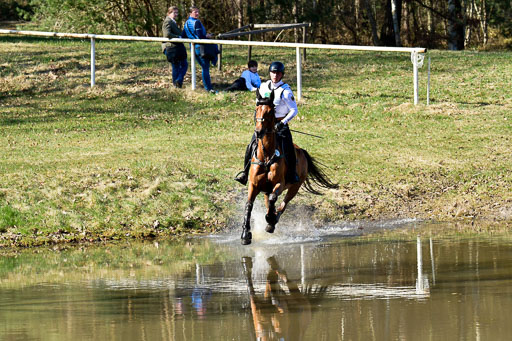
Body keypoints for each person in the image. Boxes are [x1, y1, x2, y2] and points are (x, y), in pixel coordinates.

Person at [234, 61, 300, 185]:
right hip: (264, 124)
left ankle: (292, 174)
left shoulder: (286, 91)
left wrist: (282, 123)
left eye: (278, 73)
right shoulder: (263, 86)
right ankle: (245, 173)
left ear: (282, 75)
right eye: (273, 73)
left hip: (280, 124)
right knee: (251, 145)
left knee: (288, 148)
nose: (275, 76)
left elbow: (294, 110)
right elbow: (258, 104)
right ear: (270, 73)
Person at [183, 6, 219, 94]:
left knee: (205, 67)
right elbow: (200, 36)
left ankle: (208, 86)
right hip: (201, 48)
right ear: (190, 13)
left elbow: (183, 35)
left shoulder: (186, 23)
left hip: (194, 48)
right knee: (205, 68)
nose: (197, 14)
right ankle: (209, 88)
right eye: (195, 12)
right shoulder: (197, 22)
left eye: (198, 12)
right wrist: (207, 36)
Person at [162, 6, 188, 88]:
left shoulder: (172, 21)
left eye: (177, 13)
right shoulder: (167, 21)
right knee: (176, 66)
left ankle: (178, 81)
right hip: (172, 47)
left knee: (183, 64)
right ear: (169, 13)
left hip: (177, 47)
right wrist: (178, 37)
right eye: (174, 13)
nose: (176, 14)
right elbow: (167, 34)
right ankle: (177, 83)